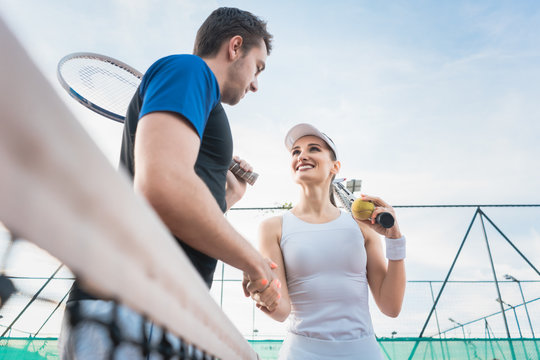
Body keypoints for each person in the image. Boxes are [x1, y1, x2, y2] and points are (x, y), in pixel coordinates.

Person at [60, 7, 280, 359]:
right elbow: (161, 188)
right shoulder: (189, 69)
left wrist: (226, 198)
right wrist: (253, 262)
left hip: (164, 312)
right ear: (235, 47)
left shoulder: (204, 97)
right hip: (128, 305)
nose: (256, 83)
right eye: (259, 67)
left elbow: (180, 207)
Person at [250, 123, 406, 359]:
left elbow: (391, 307)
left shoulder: (363, 228)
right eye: (295, 152)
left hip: (363, 351)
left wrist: (395, 238)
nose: (302, 155)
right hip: (301, 352)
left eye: (313, 149)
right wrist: (263, 295)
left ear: (335, 166)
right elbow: (281, 311)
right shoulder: (272, 228)